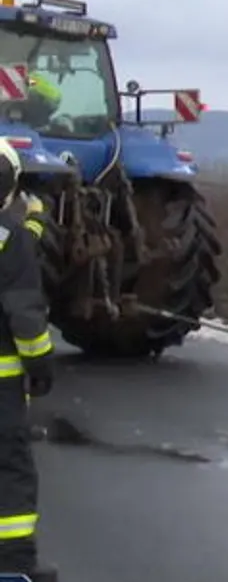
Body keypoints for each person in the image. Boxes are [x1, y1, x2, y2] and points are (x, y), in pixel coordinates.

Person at [0, 139, 56, 582]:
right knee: (10, 472)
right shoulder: (11, 241)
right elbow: (25, 318)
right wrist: (40, 368)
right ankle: (13, 569)